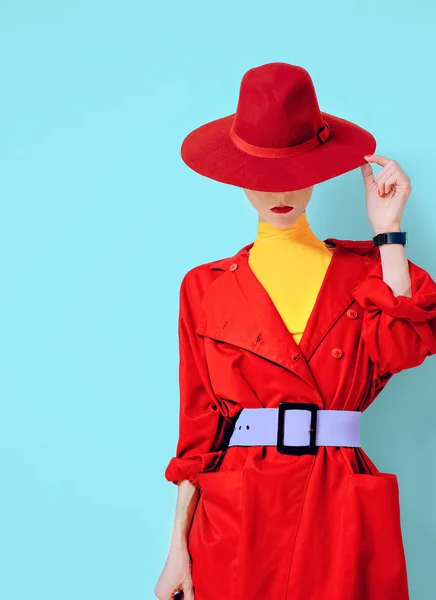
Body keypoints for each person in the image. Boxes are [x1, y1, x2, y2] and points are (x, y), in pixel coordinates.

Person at [154, 62, 436, 600]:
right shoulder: (203, 287)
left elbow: (402, 349)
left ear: (323, 169)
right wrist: (176, 552)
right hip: (238, 509)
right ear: (236, 175)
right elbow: (197, 431)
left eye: (295, 171)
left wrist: (388, 232)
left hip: (338, 496)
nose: (280, 191)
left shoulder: (370, 272)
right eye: (262, 175)